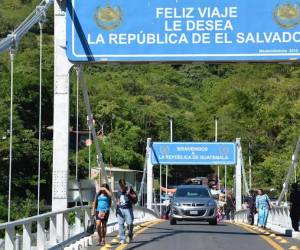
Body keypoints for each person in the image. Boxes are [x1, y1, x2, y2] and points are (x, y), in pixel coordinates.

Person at [116, 179, 137, 244]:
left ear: (125, 184)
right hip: (120, 209)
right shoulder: (118, 191)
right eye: (121, 186)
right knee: (121, 224)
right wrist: (117, 208)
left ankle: (130, 235)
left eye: (123, 185)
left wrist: (129, 194)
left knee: (130, 224)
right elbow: (118, 200)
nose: (122, 187)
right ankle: (122, 238)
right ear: (119, 185)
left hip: (128, 209)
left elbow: (135, 196)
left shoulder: (129, 189)